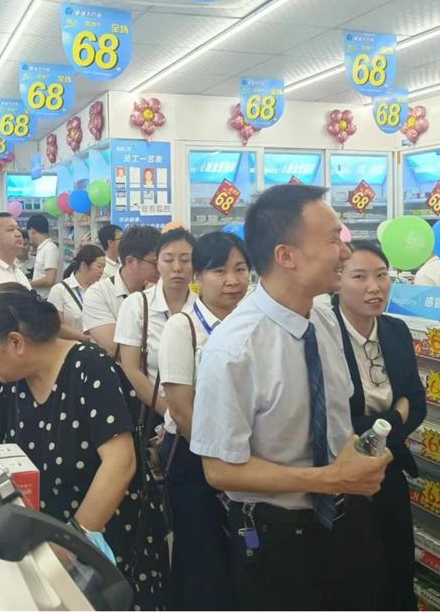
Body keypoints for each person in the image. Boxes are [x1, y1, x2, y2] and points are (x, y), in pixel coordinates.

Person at [189, 185, 392, 611]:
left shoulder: (324, 320)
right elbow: (220, 469)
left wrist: (359, 458)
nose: (345, 252)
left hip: (349, 521)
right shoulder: (233, 349)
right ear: (286, 256)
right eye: (334, 240)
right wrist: (330, 479)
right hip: (278, 538)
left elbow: (335, 417)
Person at [0, 284, 165, 609]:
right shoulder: (14, 382)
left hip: (105, 548)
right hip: (50, 546)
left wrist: (72, 542)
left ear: (15, 342)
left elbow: (120, 463)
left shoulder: (90, 368)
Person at [158, 232, 251, 610]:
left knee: (243, 553)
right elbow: (182, 410)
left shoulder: (253, 323)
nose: (232, 280)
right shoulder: (182, 328)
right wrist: (221, 464)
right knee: (202, 554)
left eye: (240, 269)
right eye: (219, 271)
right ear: (198, 276)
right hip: (195, 458)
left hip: (247, 457)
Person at [333, 241, 426, 610]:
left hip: (390, 467)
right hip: (339, 475)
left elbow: (416, 401)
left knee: (396, 567)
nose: (374, 287)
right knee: (354, 574)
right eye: (360, 277)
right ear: (337, 280)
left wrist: (384, 426)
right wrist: (393, 418)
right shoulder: (322, 334)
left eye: (382, 275)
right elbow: (334, 419)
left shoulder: (395, 330)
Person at [115, 227, 196, 414]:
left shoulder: (203, 306)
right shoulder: (137, 305)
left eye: (185, 260)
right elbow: (131, 371)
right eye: (168, 259)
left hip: (201, 416)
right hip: (155, 414)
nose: (177, 267)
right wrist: (172, 417)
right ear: (157, 263)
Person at [82, 226, 161, 357]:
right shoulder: (98, 294)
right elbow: (115, 349)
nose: (160, 269)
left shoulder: (162, 290)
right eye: (155, 263)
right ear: (130, 261)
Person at [48, 245, 105, 335]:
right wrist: (85, 338)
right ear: (83, 266)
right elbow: (57, 327)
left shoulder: (100, 289)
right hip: (73, 342)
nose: (102, 271)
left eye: (103, 267)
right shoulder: (59, 290)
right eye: (99, 266)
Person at [27, 214, 60, 299]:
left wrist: (28, 283)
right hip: (41, 298)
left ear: (32, 230)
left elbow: (49, 280)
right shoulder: (43, 248)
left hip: (47, 299)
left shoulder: (50, 248)